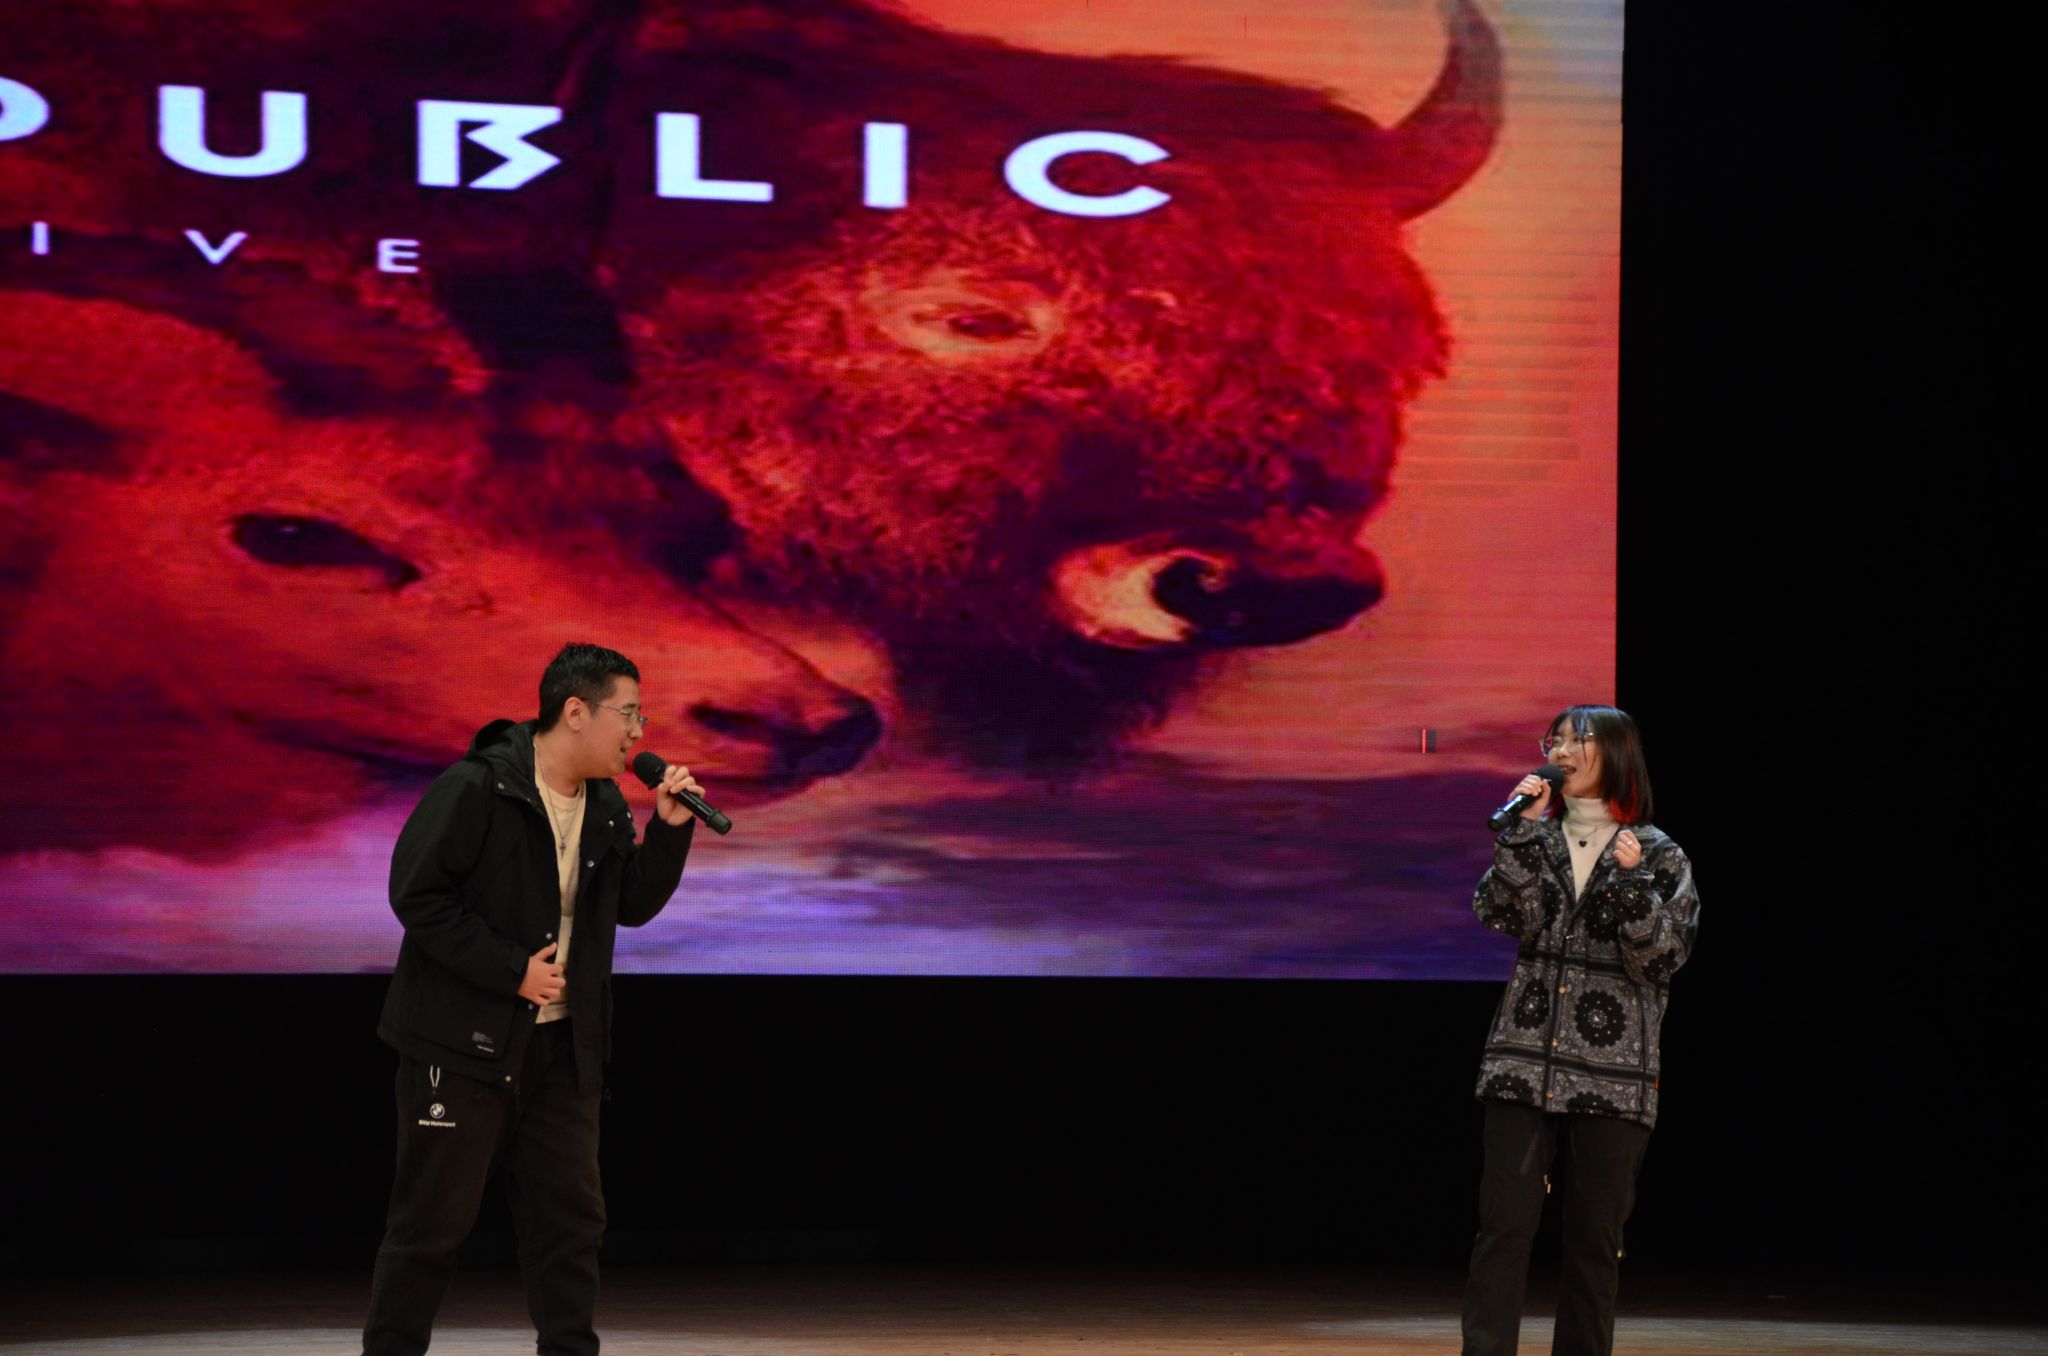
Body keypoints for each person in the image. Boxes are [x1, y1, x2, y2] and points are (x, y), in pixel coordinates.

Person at [361, 642, 706, 1356]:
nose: (638, 732)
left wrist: (670, 830)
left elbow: (628, 905)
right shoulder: (478, 787)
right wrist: (509, 970)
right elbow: (417, 896)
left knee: (570, 1225)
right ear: (576, 712)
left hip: (562, 1048)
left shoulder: (604, 802)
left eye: (640, 717)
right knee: (430, 1226)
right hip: (462, 1046)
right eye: (629, 714)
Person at [1460, 705, 1700, 1356]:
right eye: (1555, 741)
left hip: (1615, 1069)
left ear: (1617, 753)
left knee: (1595, 1240)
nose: (1560, 752)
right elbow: (1500, 913)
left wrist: (1632, 884)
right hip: (1523, 1056)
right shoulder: (1535, 839)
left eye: (1577, 741)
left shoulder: (1658, 853)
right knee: (1502, 1228)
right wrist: (1518, 833)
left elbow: (1663, 957)